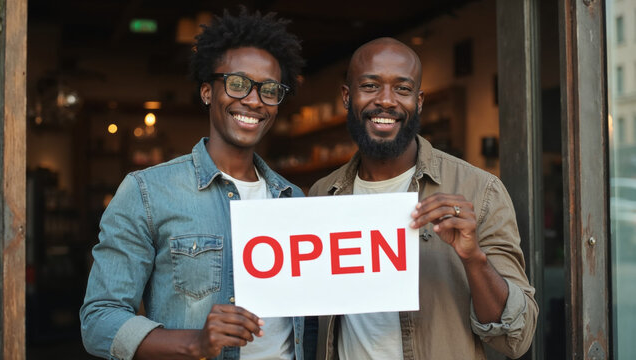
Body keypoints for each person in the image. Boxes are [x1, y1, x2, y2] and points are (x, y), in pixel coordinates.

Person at [80, 9, 314, 360]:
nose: (253, 100)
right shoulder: (148, 192)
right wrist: (195, 343)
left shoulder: (294, 200)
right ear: (207, 91)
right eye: (237, 83)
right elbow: (98, 321)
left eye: (269, 90)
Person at [309, 37, 538, 359]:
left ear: (418, 102)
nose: (386, 101)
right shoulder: (321, 195)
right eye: (371, 86)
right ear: (348, 97)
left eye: (402, 89)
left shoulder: (480, 190)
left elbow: (517, 337)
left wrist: (473, 259)